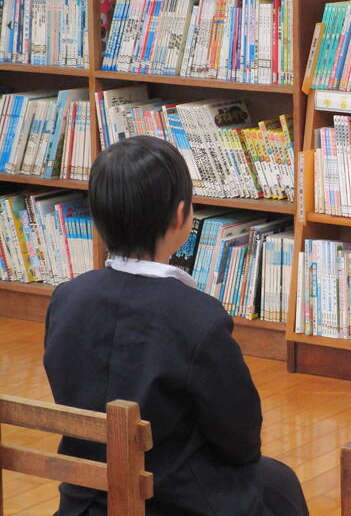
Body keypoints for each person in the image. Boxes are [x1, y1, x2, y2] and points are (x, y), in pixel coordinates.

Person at [43, 136, 308, 516]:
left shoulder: (67, 298)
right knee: (280, 486)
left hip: (83, 500)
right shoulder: (199, 316)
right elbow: (239, 435)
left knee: (276, 481)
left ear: (97, 217)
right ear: (180, 215)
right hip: (171, 501)